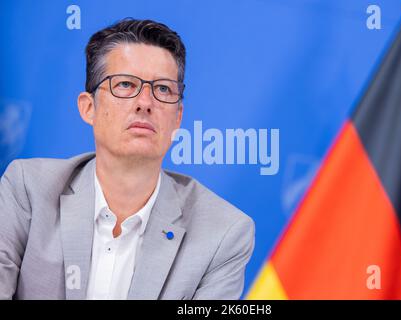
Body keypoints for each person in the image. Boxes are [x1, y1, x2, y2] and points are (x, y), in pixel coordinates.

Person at [0, 19, 255, 300]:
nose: (145, 102)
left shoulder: (223, 232)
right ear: (88, 108)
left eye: (162, 89)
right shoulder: (28, 189)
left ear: (178, 117)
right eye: (124, 84)